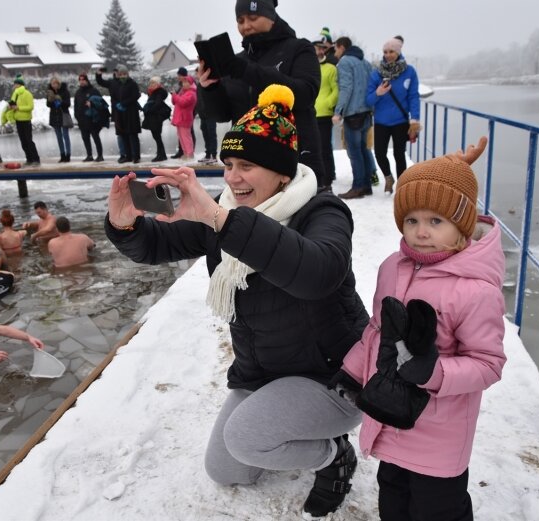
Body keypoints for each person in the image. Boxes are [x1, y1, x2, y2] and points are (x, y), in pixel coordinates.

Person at [105, 84, 369, 518]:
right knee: (227, 469)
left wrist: (217, 217)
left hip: (333, 378)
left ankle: (332, 455)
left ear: (283, 172)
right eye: (228, 164)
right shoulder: (226, 213)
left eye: (247, 165)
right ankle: (288, 430)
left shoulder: (323, 212)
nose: (232, 178)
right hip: (265, 372)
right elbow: (156, 245)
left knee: (247, 439)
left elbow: (317, 273)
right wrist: (124, 225)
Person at [333, 138, 505, 521]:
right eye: (412, 220)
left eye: (435, 221)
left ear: (461, 225)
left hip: (439, 433)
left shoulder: (476, 291)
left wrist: (436, 371)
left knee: (437, 509)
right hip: (388, 416)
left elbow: (488, 363)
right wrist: (352, 369)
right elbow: (377, 329)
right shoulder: (393, 267)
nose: (421, 231)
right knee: (393, 500)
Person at [197, 0, 324, 187]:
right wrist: (210, 88)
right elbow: (222, 115)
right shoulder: (237, 62)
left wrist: (246, 71)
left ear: (271, 16)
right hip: (247, 165)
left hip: (295, 160)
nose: (246, 25)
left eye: (253, 18)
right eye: (240, 21)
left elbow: (305, 94)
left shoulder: (299, 49)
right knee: (245, 216)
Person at [365, 37, 421, 193]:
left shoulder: (409, 72)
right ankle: (388, 177)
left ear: (398, 52)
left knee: (399, 154)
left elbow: (413, 96)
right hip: (382, 121)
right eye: (385, 52)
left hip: (400, 121)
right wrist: (378, 92)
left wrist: (415, 119)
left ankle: (402, 187)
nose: (388, 55)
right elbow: (368, 100)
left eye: (391, 52)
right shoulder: (377, 73)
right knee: (380, 153)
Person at [334, 36, 377, 199]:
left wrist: (338, 111)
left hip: (352, 114)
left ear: (342, 47)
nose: (335, 52)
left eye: (336, 48)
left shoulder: (345, 62)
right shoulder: (365, 62)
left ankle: (358, 186)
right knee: (364, 149)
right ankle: (367, 186)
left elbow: (346, 87)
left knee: (355, 151)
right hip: (366, 113)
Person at [96, 64, 141, 163]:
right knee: (123, 135)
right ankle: (127, 156)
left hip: (131, 113)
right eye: (120, 74)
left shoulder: (132, 83)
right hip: (120, 114)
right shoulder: (116, 83)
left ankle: (136, 156)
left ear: (127, 74)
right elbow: (102, 83)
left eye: (124, 74)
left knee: (132, 135)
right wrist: (98, 74)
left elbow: (135, 95)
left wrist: (124, 103)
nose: (122, 76)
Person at [312, 38, 338, 191]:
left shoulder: (330, 68)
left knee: (325, 147)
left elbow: (335, 89)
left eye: (322, 48)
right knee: (312, 147)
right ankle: (315, 178)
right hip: (310, 112)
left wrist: (328, 103)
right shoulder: (307, 66)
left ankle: (327, 179)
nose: (320, 51)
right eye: (317, 48)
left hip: (324, 114)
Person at [9, 74, 40, 166]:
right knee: (23, 141)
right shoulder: (15, 94)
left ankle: (36, 159)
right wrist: (10, 107)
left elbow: (30, 107)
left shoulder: (27, 94)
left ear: (19, 85)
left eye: (15, 84)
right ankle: (29, 158)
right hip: (18, 119)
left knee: (29, 140)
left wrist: (18, 108)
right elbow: (13, 103)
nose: (14, 86)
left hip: (26, 120)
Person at [74, 73, 106, 162]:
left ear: (87, 80)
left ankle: (100, 155)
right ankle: (89, 155)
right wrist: (77, 117)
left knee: (95, 137)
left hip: (93, 120)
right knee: (85, 138)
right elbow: (76, 106)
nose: (81, 82)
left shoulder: (93, 91)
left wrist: (92, 104)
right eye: (80, 80)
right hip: (82, 121)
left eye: (83, 80)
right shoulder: (78, 92)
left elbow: (101, 104)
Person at [141, 77, 170, 162]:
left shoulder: (158, 92)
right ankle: (161, 154)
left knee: (157, 137)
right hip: (154, 117)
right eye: (151, 83)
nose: (151, 85)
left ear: (158, 84)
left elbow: (157, 104)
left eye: (154, 83)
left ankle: (161, 155)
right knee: (157, 137)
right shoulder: (153, 92)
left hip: (156, 118)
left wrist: (149, 109)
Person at [171, 72, 197, 161]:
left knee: (186, 137)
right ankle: (185, 153)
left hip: (185, 118)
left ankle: (190, 154)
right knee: (181, 137)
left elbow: (183, 102)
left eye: (186, 82)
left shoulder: (192, 93)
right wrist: (174, 95)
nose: (184, 84)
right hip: (179, 118)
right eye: (183, 82)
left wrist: (175, 96)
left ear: (191, 84)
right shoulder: (183, 92)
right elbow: (175, 102)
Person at [47, 77, 72, 162]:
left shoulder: (65, 91)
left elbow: (68, 104)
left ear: (59, 84)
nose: (54, 85)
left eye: (55, 83)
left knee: (65, 136)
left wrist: (60, 101)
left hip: (63, 115)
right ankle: (62, 155)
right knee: (59, 137)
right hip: (54, 116)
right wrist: (51, 100)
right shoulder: (50, 92)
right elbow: (48, 104)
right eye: (52, 84)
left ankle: (68, 155)